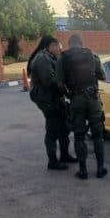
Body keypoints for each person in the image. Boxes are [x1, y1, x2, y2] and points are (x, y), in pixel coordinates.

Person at [56, 34, 107, 180]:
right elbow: (103, 76)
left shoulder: (63, 58)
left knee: (79, 136)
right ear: (81, 42)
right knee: (98, 135)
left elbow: (59, 83)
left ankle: (83, 170)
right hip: (93, 98)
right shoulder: (92, 54)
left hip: (77, 99)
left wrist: (69, 95)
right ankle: (100, 168)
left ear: (69, 44)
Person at [27, 35, 77, 170]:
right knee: (52, 130)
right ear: (50, 46)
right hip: (48, 99)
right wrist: (67, 91)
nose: (60, 49)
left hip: (55, 98)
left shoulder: (50, 57)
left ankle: (65, 155)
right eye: (58, 46)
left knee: (64, 128)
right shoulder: (42, 58)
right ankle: (52, 161)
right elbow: (50, 81)